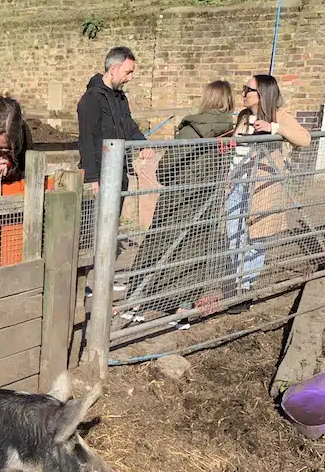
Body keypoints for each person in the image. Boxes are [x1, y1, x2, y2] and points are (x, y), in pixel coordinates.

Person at [128, 81, 236, 315]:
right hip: (207, 199)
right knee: (194, 248)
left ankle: (138, 300)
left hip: (178, 197)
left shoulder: (192, 129)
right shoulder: (231, 130)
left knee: (158, 245)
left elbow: (167, 165)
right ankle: (182, 306)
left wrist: (166, 177)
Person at [226, 74, 311, 301]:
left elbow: (305, 139)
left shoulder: (279, 115)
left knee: (257, 236)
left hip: (264, 186)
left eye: (248, 90)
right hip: (237, 184)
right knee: (234, 234)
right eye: (244, 89)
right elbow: (238, 150)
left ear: (263, 94)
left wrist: (275, 127)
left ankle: (245, 288)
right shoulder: (244, 116)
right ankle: (237, 280)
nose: (243, 94)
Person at [77, 46, 154, 195]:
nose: (130, 78)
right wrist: (91, 178)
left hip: (120, 171)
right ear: (113, 69)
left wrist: (143, 145)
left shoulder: (120, 97)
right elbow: (86, 139)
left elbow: (129, 125)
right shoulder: (92, 98)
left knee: (115, 217)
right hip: (100, 175)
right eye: (128, 72)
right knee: (98, 218)